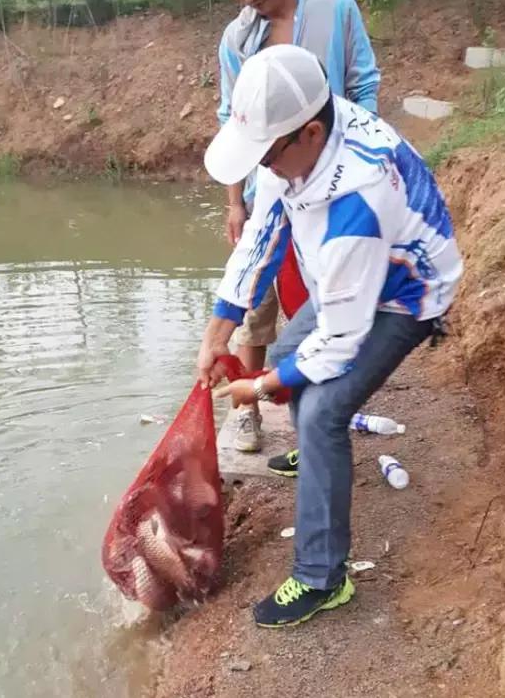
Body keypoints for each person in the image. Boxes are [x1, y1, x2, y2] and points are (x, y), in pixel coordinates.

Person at [198, 44, 462, 628]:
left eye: (267, 156)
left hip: (406, 292)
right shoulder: (297, 135)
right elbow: (263, 233)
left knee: (319, 411)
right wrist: (218, 331)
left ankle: (322, 577)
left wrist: (260, 385)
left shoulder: (357, 197)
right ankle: (322, 461)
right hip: (352, 274)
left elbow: (342, 342)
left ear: (310, 133)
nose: (263, 167)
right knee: (293, 349)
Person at [217, 0, 381, 453]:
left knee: (324, 290)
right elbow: (231, 119)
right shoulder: (238, 38)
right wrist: (235, 202)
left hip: (330, 181)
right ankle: (247, 411)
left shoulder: (337, 9)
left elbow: (363, 85)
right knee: (255, 294)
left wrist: (354, 167)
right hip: (271, 183)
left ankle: (321, 405)